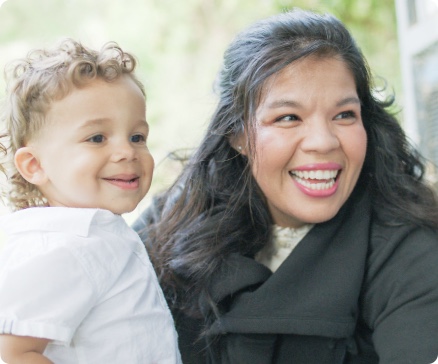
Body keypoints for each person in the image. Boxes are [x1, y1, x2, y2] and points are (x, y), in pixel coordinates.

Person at [132, 8, 438, 364]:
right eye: (288, 117)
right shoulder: (172, 226)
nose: (323, 142)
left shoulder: (407, 249)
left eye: (344, 115)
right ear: (238, 135)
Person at [0, 39, 181, 363]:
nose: (127, 151)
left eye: (137, 137)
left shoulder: (93, 235)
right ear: (35, 165)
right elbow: (12, 353)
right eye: (97, 138)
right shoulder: (64, 247)